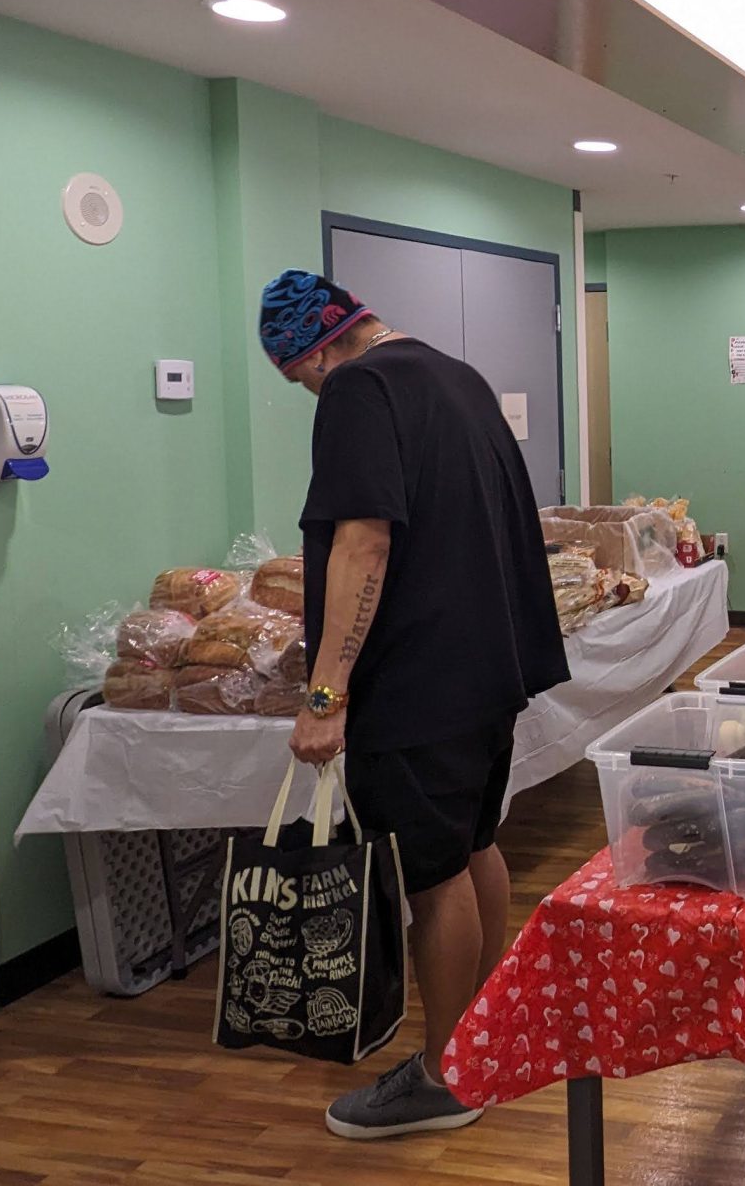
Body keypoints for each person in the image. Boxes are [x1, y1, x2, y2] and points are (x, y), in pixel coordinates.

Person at [258, 269, 569, 1141]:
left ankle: (444, 1078)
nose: (307, 392)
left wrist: (326, 695)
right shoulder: (455, 376)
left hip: (417, 680)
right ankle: (479, 1036)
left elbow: (363, 540)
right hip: (487, 667)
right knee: (474, 844)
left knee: (431, 878)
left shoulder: (358, 390)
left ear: (318, 353)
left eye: (298, 378)